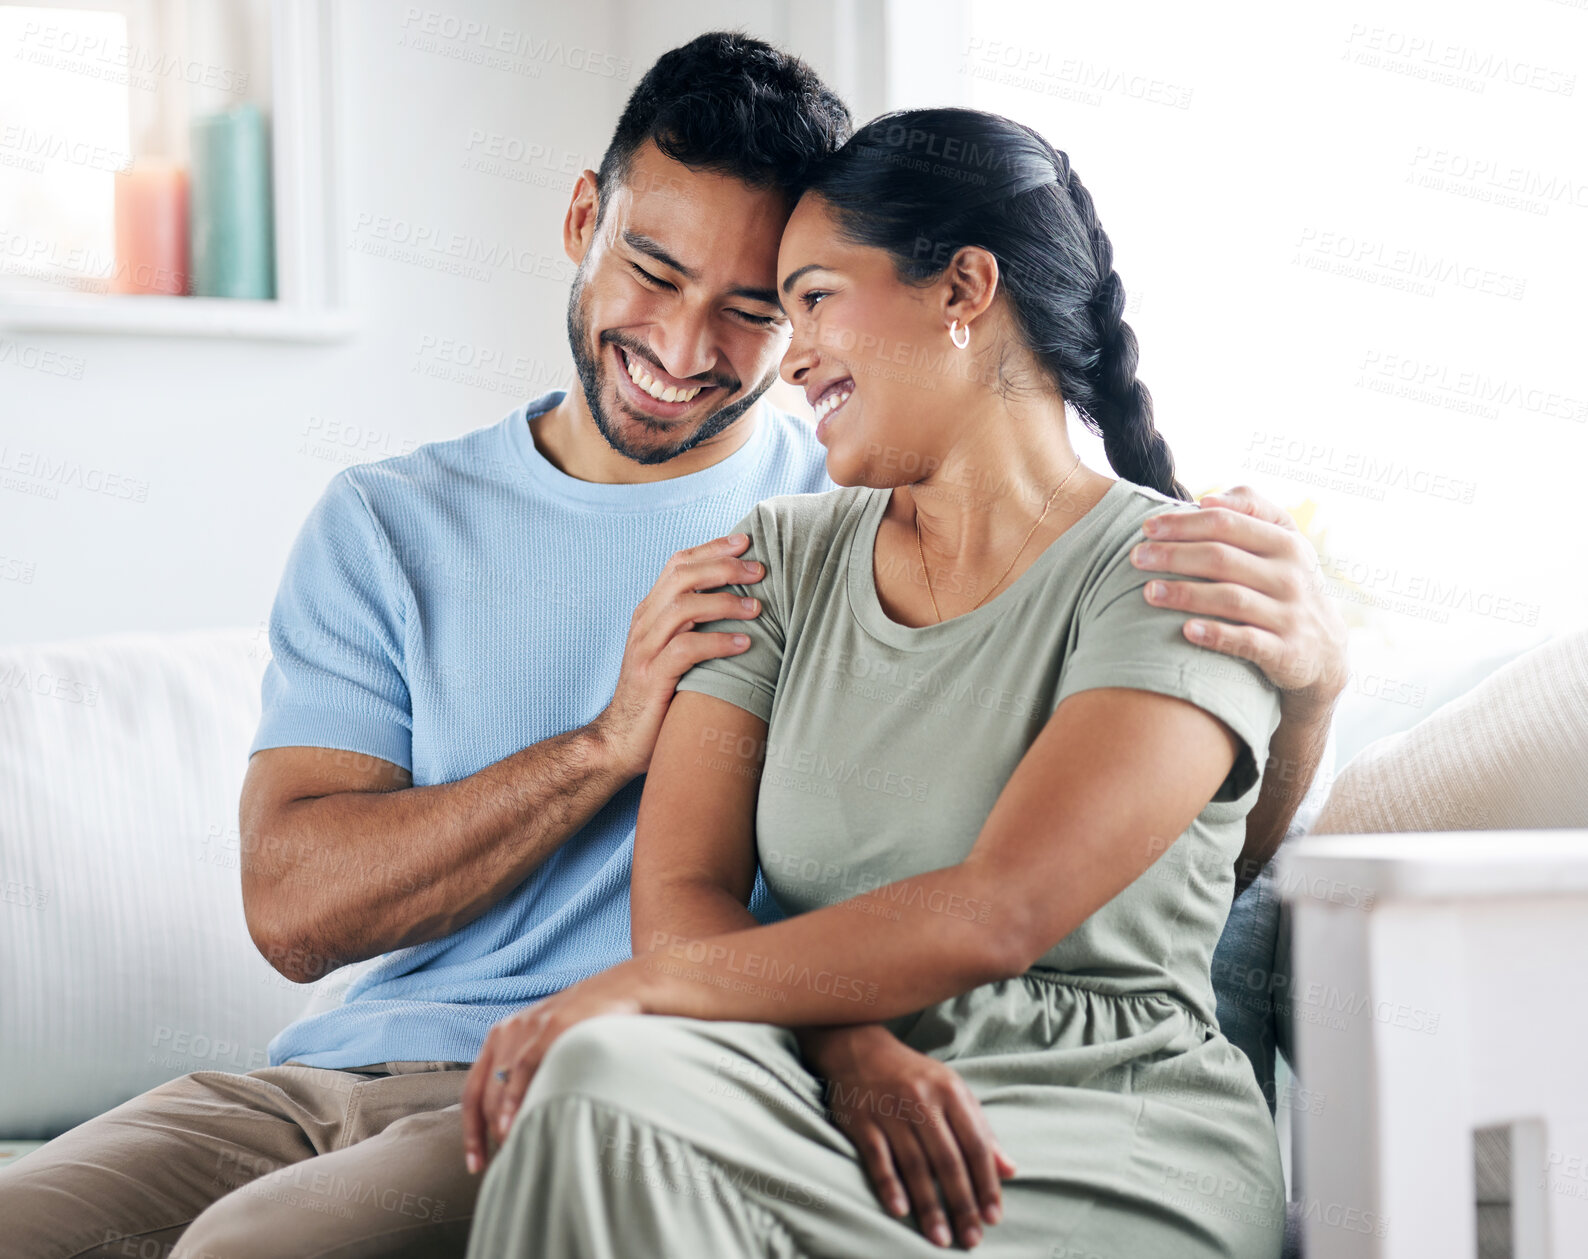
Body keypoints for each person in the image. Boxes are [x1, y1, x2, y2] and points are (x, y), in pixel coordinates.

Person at [0, 37, 1339, 1259]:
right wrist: (603, 745)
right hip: (368, 1069)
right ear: (585, 219)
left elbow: (1140, 856)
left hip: (668, 1069)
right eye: (654, 272)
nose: (696, 347)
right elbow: (295, 912)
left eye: (774, 302)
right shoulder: (424, 525)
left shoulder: (907, 517)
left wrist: (1318, 686)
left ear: (956, 292)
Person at [462, 108, 1319, 1259]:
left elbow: (996, 909)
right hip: (820, 1084)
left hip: (1096, 1121)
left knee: (607, 1044)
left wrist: (619, 992)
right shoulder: (775, 557)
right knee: (603, 1084)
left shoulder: (1175, 573)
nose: (791, 352)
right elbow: (680, 891)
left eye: (812, 297)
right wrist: (846, 1042)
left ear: (962, 287)